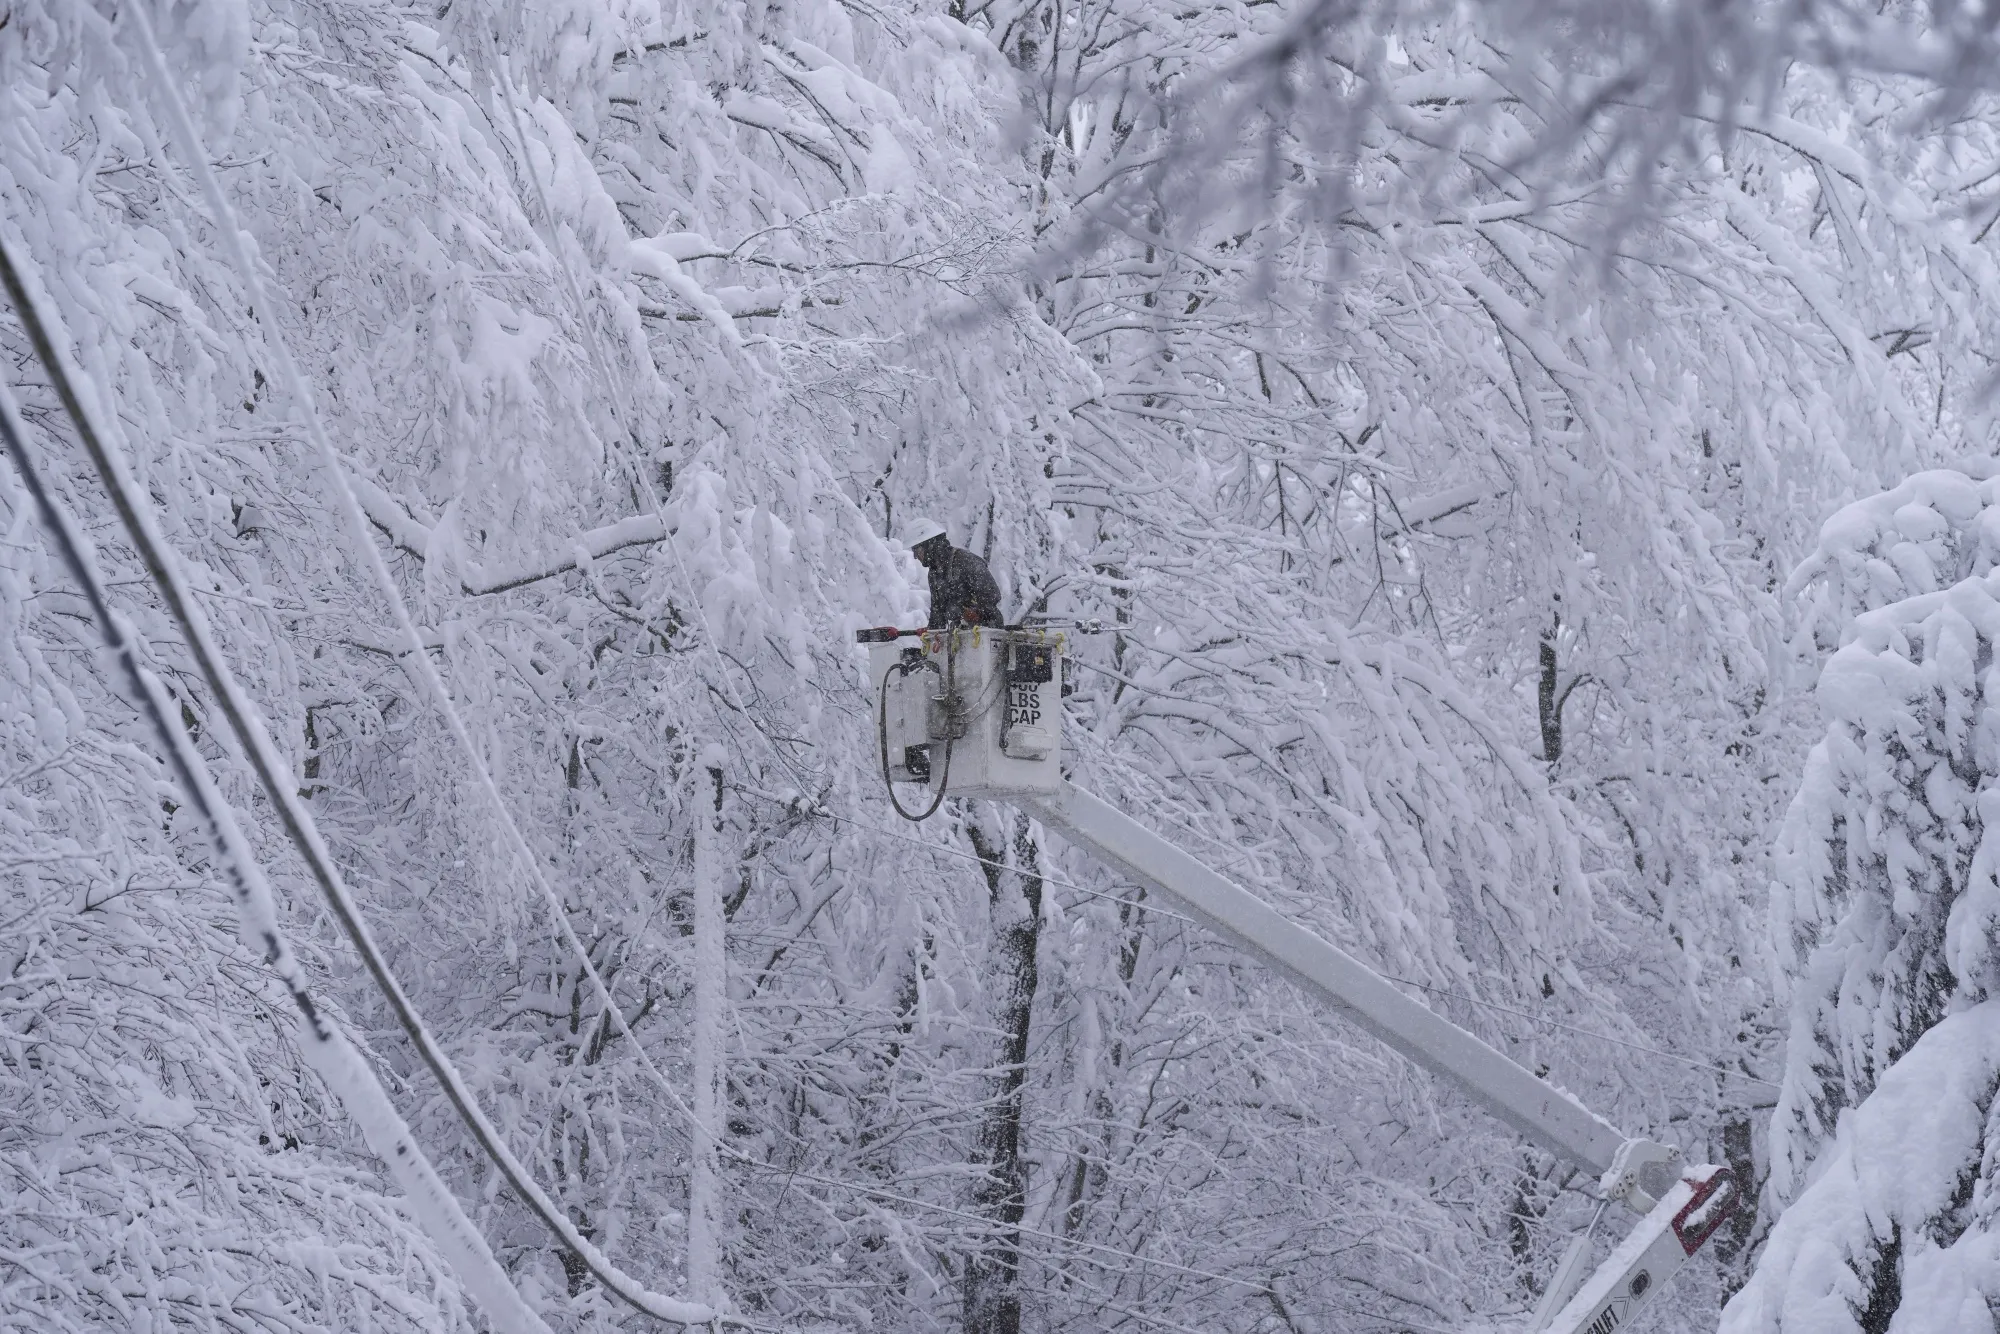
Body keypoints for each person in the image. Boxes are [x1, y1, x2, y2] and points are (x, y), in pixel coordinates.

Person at [903, 517, 1002, 629]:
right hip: (961, 635)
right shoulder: (934, 574)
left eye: (917, 550)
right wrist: (931, 632)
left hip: (987, 632)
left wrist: (976, 612)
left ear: (929, 545)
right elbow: (938, 615)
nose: (915, 557)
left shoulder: (965, 561)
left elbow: (993, 595)